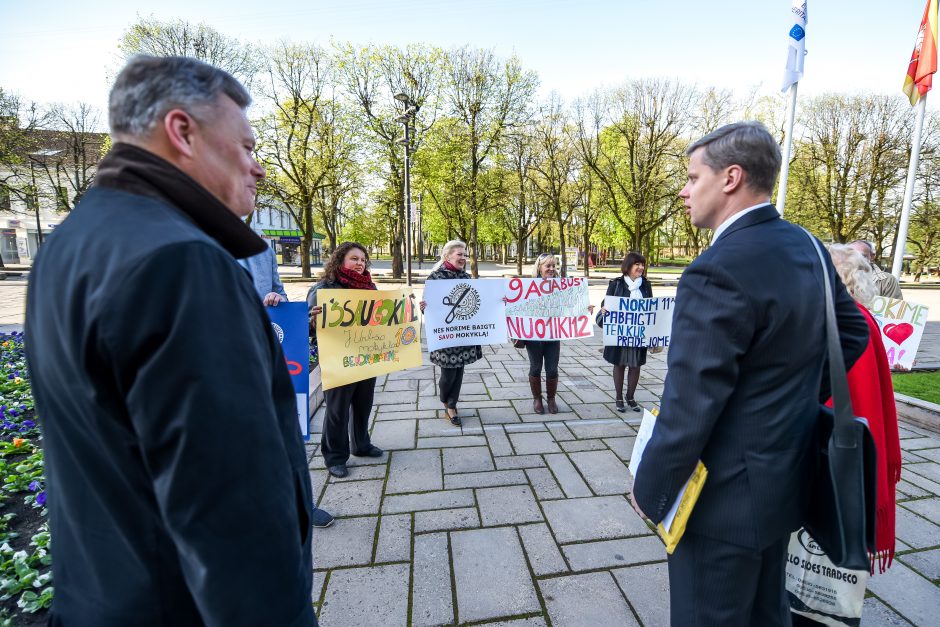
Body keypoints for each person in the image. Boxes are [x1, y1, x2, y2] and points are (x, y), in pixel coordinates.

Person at [24, 56, 316, 625]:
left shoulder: (72, 242)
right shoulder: (184, 263)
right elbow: (231, 510)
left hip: (104, 594)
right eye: (247, 147)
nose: (256, 168)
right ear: (182, 131)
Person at [631, 121, 869, 626]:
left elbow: (691, 405)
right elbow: (854, 336)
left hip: (721, 504)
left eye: (693, 177)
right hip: (783, 481)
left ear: (731, 178)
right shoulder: (806, 246)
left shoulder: (716, 268)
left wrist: (650, 491)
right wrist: (791, 400)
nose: (684, 189)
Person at [307, 242, 384, 478]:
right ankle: (335, 457)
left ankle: (361, 444)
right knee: (337, 410)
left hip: (365, 356)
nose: (360, 264)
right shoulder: (323, 289)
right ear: (340, 260)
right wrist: (312, 319)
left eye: (363, 260)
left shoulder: (369, 287)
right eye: (354, 259)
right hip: (337, 359)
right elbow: (309, 328)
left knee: (363, 404)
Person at [420, 240, 481, 426]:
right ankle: (446, 399)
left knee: (459, 371)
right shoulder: (435, 278)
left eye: (464, 254)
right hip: (445, 336)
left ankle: (451, 406)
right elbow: (428, 307)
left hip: (462, 335)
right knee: (448, 375)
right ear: (447, 256)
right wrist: (424, 307)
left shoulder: (466, 277)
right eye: (459, 254)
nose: (463, 258)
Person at [597, 251, 653, 413]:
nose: (641, 267)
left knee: (635, 366)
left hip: (638, 333)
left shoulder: (646, 285)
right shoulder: (616, 284)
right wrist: (604, 308)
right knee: (619, 364)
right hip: (620, 333)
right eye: (637, 264)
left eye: (642, 264)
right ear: (628, 266)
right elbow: (606, 302)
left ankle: (631, 397)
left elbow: (651, 309)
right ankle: (619, 397)